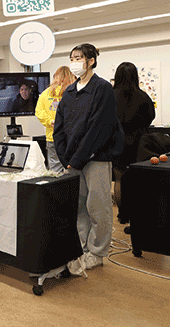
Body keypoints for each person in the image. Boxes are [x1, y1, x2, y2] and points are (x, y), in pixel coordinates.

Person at [54, 43, 124, 271]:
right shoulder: (70, 92)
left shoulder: (102, 89)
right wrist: (65, 158)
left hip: (96, 158)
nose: (74, 62)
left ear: (91, 60)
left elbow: (99, 129)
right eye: (72, 58)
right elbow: (59, 127)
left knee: (98, 207)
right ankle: (81, 247)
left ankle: (97, 252)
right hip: (72, 161)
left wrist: (78, 158)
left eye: (79, 58)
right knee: (79, 208)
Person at [112, 62, 155, 221]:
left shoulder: (110, 96)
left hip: (116, 143)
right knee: (137, 182)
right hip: (138, 143)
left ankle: (122, 215)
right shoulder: (143, 96)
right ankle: (136, 217)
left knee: (119, 179)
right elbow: (151, 117)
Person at [35, 66, 76, 173]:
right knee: (71, 168)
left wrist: (50, 121)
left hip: (52, 136)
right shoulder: (73, 92)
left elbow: (39, 112)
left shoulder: (45, 93)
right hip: (70, 137)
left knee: (55, 168)